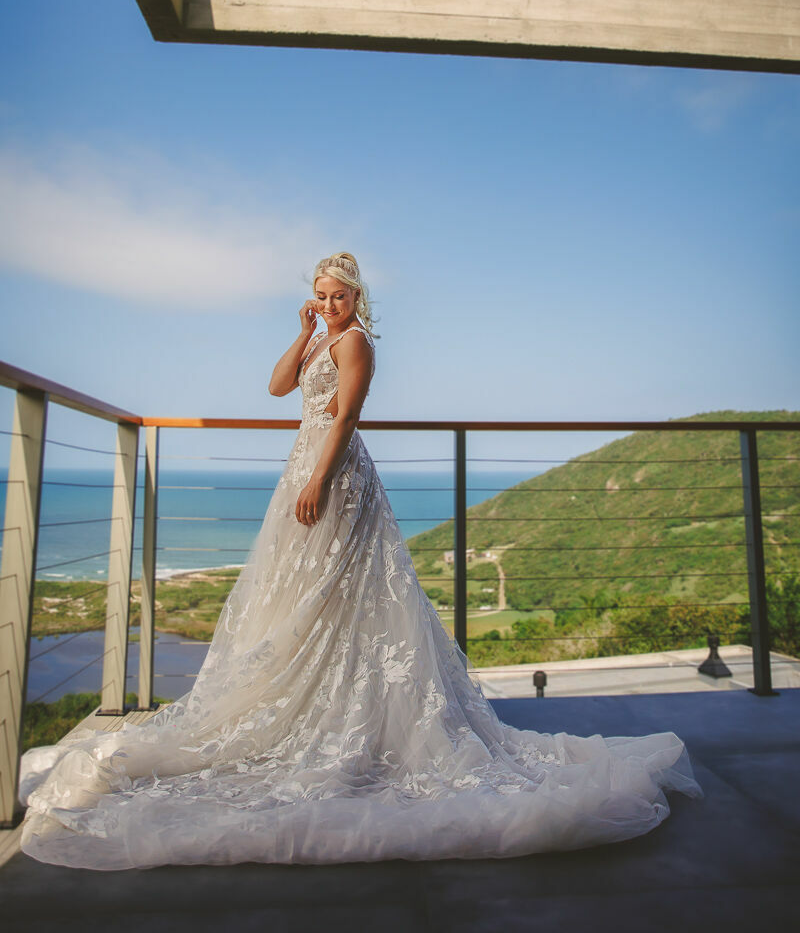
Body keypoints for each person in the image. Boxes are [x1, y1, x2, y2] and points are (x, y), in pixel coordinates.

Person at [18, 252, 703, 870]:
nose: (330, 303)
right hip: (303, 467)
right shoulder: (324, 336)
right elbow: (277, 387)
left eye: (338, 295)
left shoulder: (359, 344)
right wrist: (305, 330)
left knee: (340, 595)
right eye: (320, 294)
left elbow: (344, 417)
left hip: (336, 475)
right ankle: (314, 709)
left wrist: (319, 478)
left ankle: (363, 724)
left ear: (357, 296)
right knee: (303, 598)